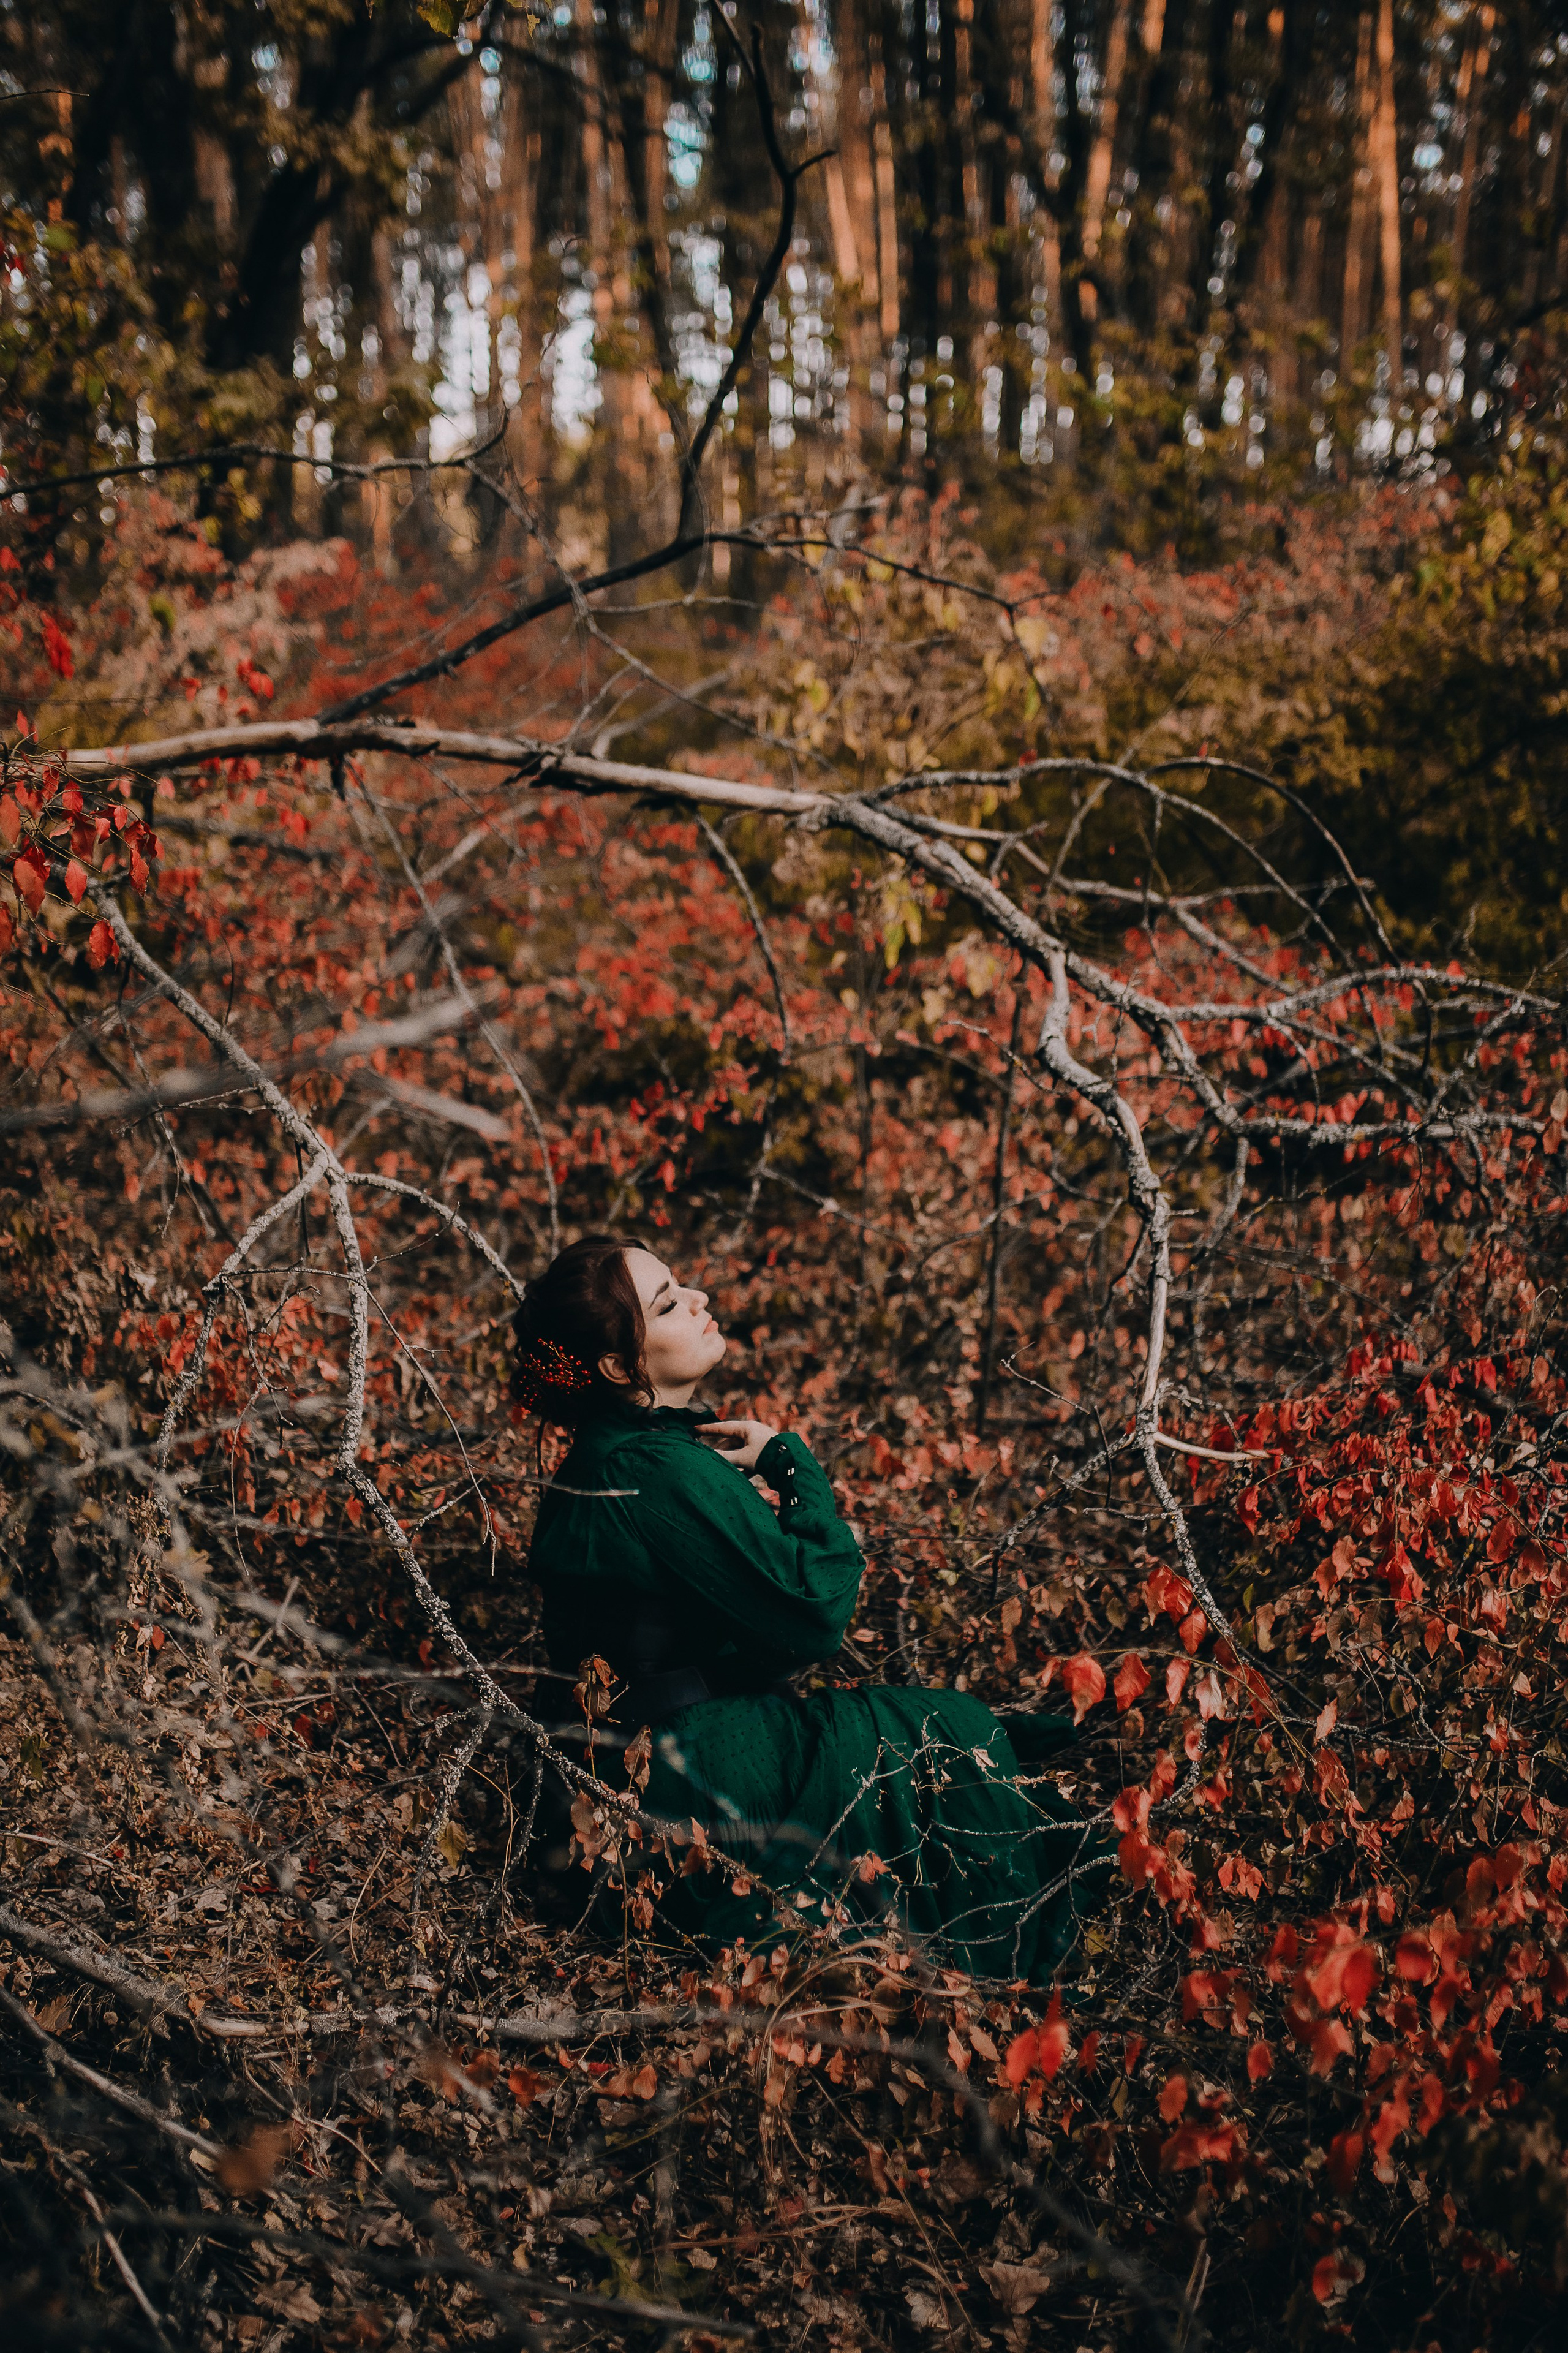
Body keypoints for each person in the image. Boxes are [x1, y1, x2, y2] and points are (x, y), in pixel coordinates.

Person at [517, 1234, 1111, 1982]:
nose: (698, 1299)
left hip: (618, 1765)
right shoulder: (653, 1468)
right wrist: (789, 1464)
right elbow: (813, 1612)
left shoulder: (612, 1452)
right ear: (617, 1366)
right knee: (954, 1728)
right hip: (676, 1766)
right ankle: (1008, 1951)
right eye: (668, 1303)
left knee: (953, 1736)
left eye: (680, 1283)